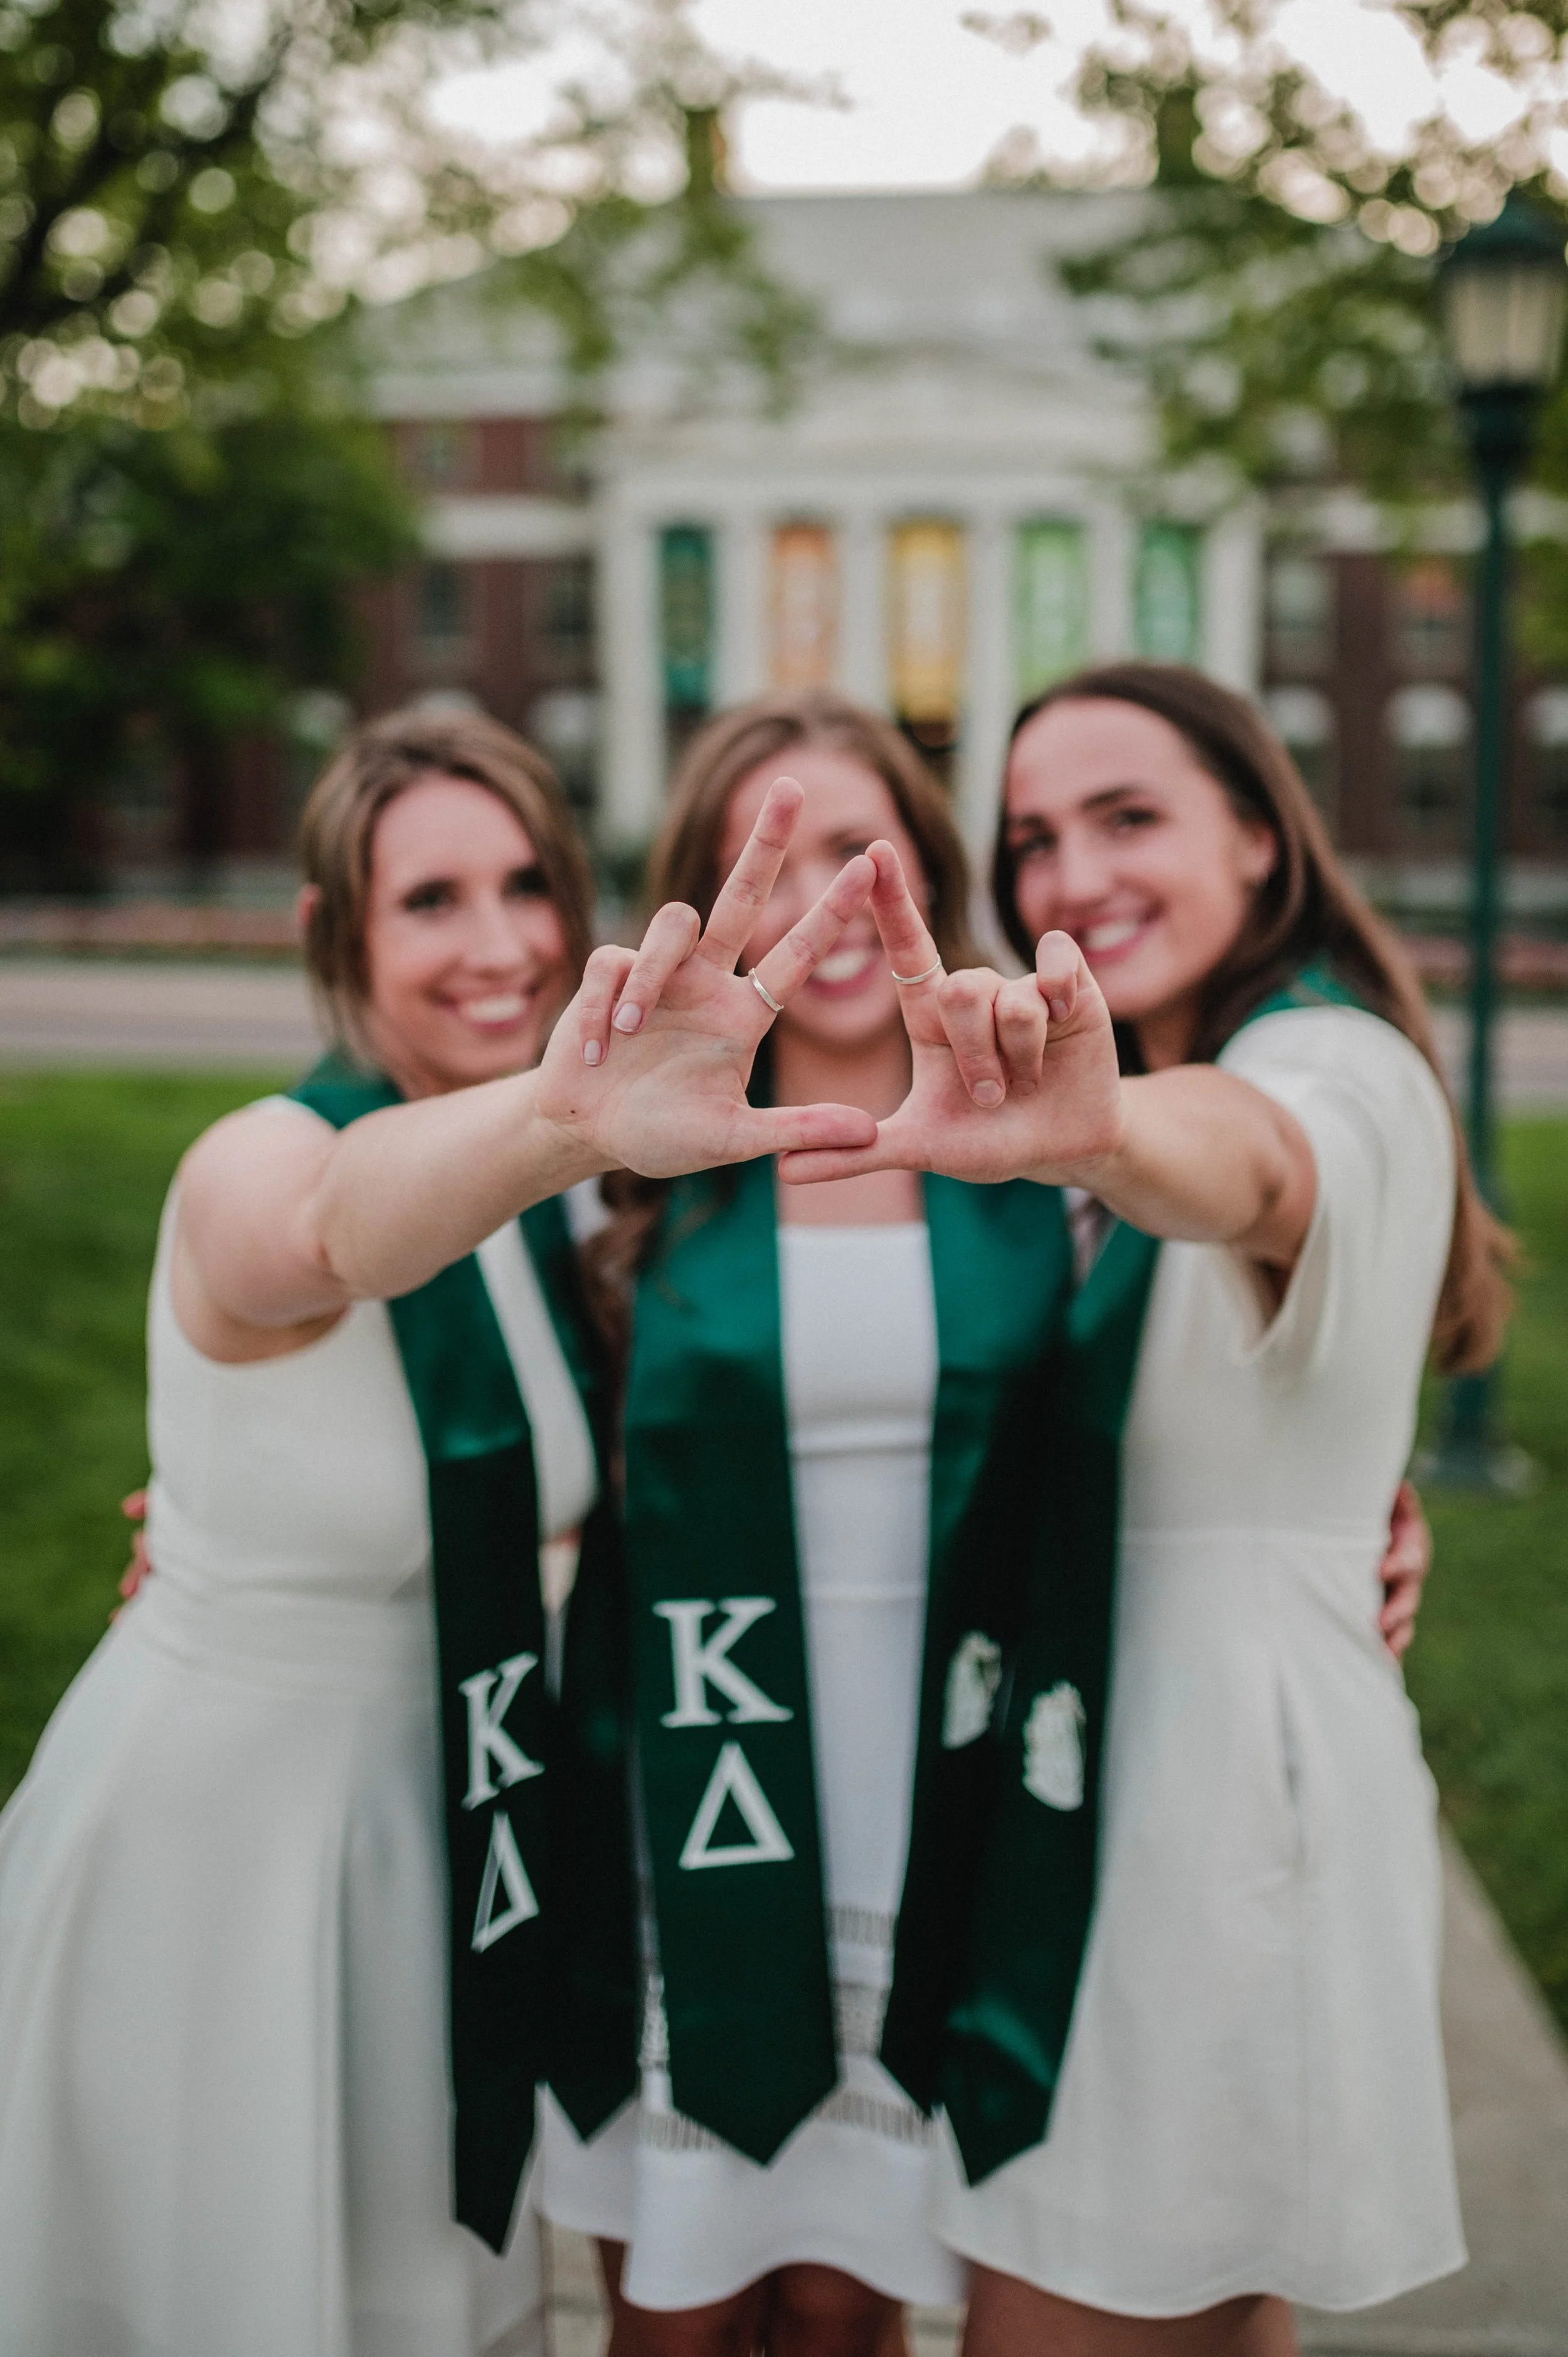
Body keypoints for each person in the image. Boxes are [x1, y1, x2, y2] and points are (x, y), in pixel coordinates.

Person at [0, 706, 879, 2357]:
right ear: (332, 933)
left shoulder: (553, 1215)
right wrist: (566, 1119)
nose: (497, 945)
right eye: (429, 901)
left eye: (524, 884)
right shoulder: (260, 1156)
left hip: (444, 1851)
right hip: (228, 1862)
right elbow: (332, 1233)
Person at [780, 664, 1510, 2357]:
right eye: (1032, 836)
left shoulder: (1318, 1064)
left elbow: (1252, 1160)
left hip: (1197, 1834)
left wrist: (1102, 1129)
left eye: (1129, 817)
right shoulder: (1171, 1073)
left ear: (1258, 837)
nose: (1067, 874)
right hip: (1131, 1789)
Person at [538, 689, 1078, 2357]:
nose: (835, 899)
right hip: (686, 1794)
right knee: (680, 2311)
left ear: (927, 864)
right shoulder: (617, 1176)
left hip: (927, 1811)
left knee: (848, 2310)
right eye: (778, 864)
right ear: (712, 907)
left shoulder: (1045, 1159)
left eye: (865, 847)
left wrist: (1378, 1514)